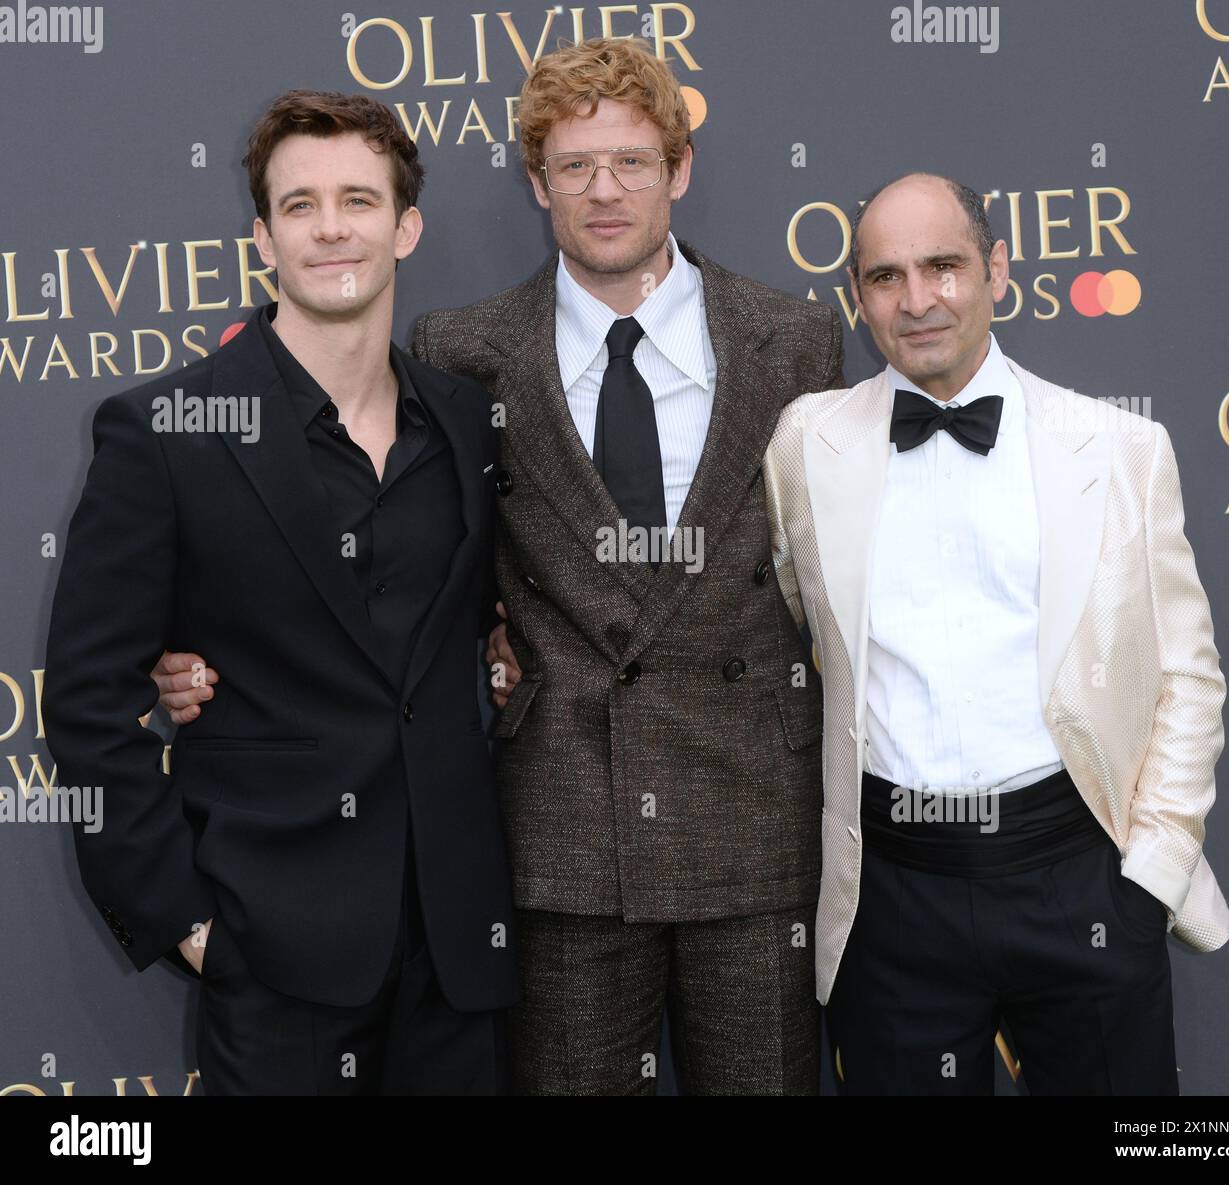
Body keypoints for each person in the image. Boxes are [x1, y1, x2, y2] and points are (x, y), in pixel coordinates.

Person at [159, 37, 842, 1095]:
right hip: (557, 837)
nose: (603, 191)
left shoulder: (794, 343)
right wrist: (206, 659)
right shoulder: (460, 351)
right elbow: (392, 568)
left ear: (681, 169)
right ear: (536, 183)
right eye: (573, 166)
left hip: (752, 828)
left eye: (631, 161)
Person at [44, 90, 517, 1095]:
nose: (332, 227)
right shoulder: (162, 431)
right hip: (275, 965)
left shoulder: (469, 423)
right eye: (300, 205)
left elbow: (474, 634)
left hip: (459, 959)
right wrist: (190, 926)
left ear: (407, 226)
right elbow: (89, 707)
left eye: (358, 198)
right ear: (262, 237)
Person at [763, 171, 1229, 1095]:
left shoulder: (1119, 450)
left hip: (1081, 882)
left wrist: (1151, 877)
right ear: (857, 298)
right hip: (892, 900)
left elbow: (1189, 677)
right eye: (886, 276)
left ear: (999, 271)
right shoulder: (805, 448)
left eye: (944, 265)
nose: (918, 298)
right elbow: (797, 615)